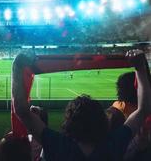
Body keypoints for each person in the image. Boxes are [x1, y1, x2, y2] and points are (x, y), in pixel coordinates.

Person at [12, 50, 151, 161]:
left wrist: (17, 65)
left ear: (69, 123)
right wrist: (140, 68)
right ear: (102, 121)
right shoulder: (113, 145)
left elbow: (21, 110)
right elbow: (143, 110)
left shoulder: (57, 145)